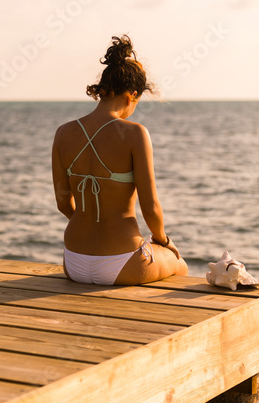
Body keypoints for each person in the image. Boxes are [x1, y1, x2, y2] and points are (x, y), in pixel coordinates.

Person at [52, 35, 188, 285]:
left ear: (101, 91)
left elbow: (63, 202)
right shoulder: (135, 133)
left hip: (73, 262)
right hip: (122, 261)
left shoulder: (63, 133)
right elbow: (151, 208)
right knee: (179, 265)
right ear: (131, 95)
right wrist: (164, 241)